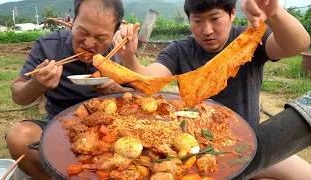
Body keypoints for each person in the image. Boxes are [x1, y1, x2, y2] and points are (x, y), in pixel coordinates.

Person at [113, 0, 311, 179]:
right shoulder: (180, 50)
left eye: (215, 18)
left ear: (232, 13)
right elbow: (149, 78)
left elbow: (297, 45)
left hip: (248, 145)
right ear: (189, 20)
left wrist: (274, 12)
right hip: (194, 147)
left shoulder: (248, 41)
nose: (207, 30)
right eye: (197, 21)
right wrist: (130, 57)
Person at [5, 0, 133, 179]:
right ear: (72, 22)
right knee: (19, 136)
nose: (89, 43)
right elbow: (18, 96)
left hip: (113, 130)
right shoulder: (48, 45)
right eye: (83, 31)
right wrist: (36, 85)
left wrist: (116, 91)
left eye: (101, 37)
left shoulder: (121, 52)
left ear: (114, 33)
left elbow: (140, 98)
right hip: (57, 126)